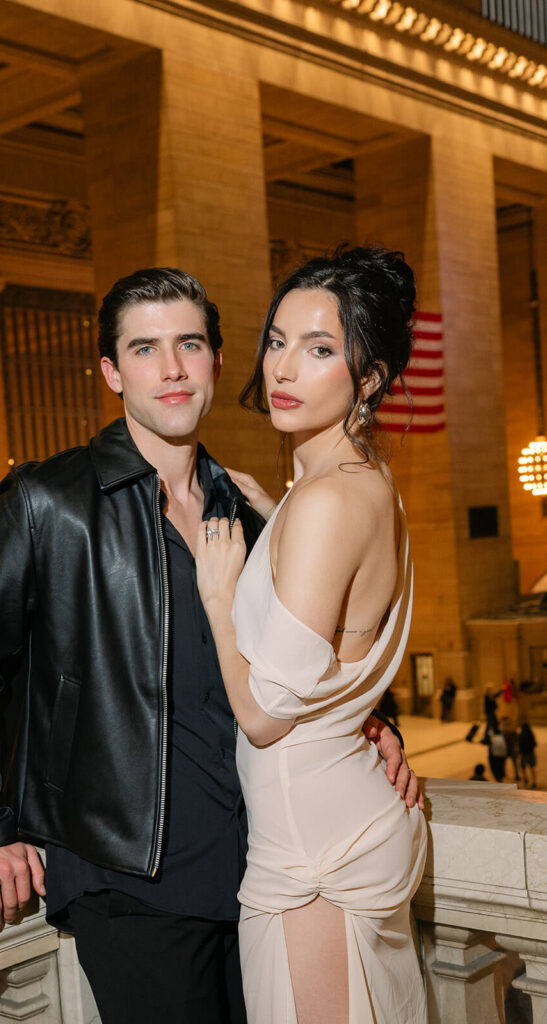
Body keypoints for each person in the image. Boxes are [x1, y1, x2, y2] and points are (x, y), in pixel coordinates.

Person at [0, 266, 420, 1024]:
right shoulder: (47, 502)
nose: (172, 368)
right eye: (144, 349)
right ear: (111, 372)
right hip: (131, 879)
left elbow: (293, 662)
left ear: (216, 361)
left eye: (189, 344)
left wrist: (364, 724)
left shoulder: (246, 509)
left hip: (256, 863)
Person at [195, 246, 427, 1023]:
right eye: (276, 340)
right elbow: (340, 640)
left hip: (310, 848)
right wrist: (275, 516)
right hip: (337, 811)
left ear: (369, 379)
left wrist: (221, 595)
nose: (283, 368)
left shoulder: (326, 502)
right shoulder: (359, 481)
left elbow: (264, 718)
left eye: (319, 349)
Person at [519, 720, 538, 788]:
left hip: (524, 754)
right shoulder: (531, 734)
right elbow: (535, 744)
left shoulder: (521, 735)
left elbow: (520, 745)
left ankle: (525, 778)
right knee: (532, 768)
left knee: (523, 767)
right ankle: (534, 781)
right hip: (531, 753)